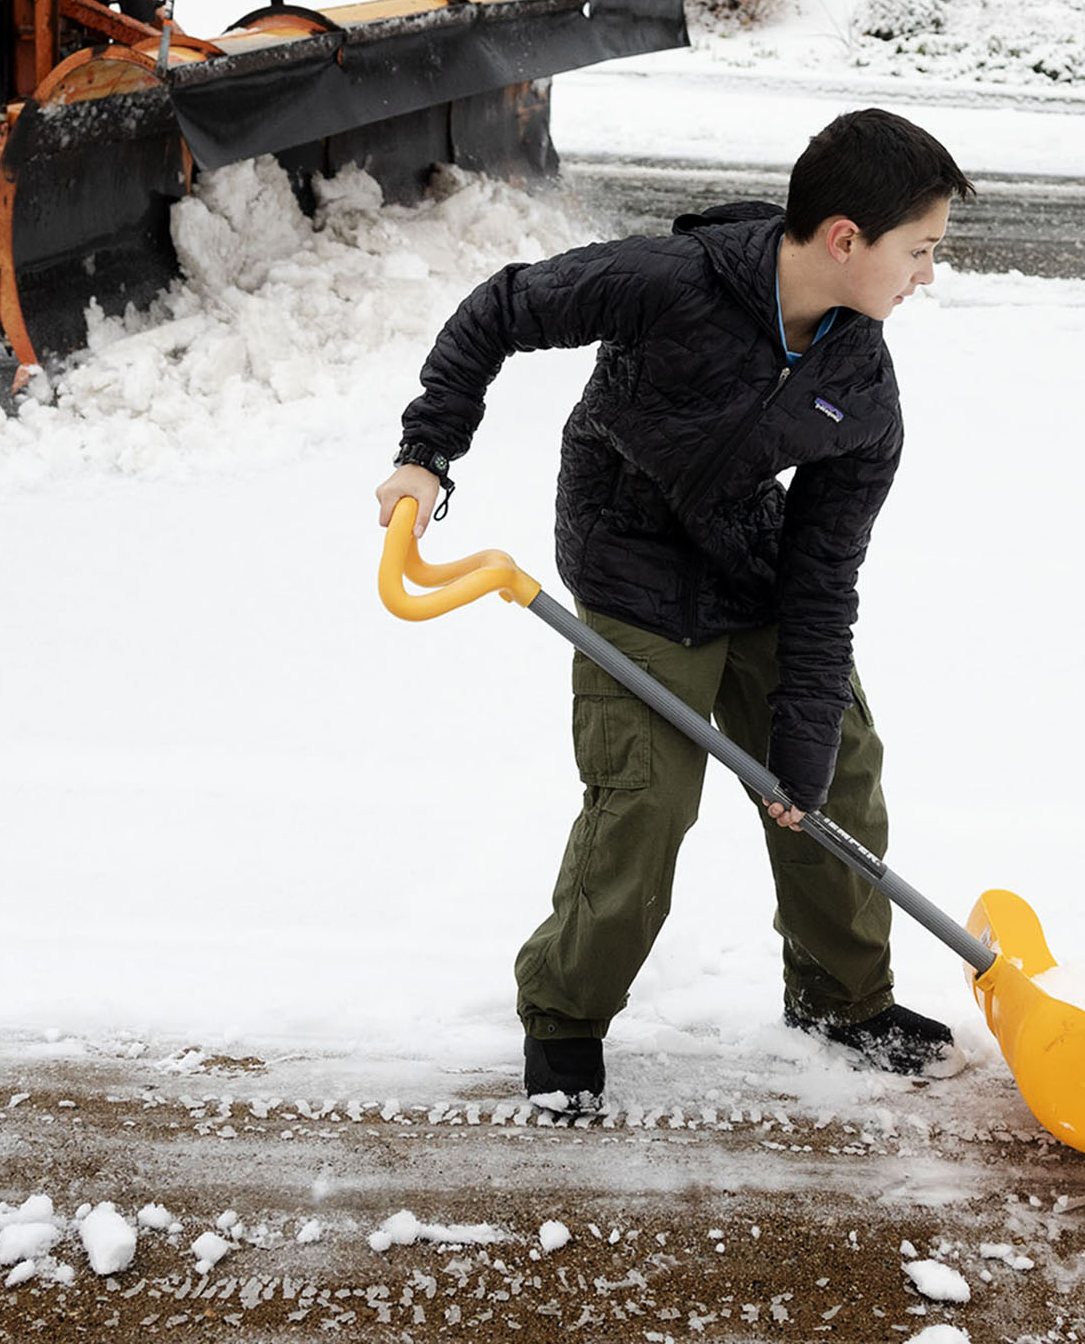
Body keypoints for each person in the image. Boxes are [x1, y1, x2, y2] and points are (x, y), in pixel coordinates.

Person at [374, 108, 973, 1112]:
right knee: (643, 801)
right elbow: (500, 310)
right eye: (918, 250)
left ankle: (844, 1002)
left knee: (838, 778)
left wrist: (804, 740)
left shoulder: (860, 385)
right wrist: (427, 452)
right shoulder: (671, 280)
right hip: (630, 562)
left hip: (751, 562)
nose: (925, 274)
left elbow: (825, 574)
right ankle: (563, 1021)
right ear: (843, 239)